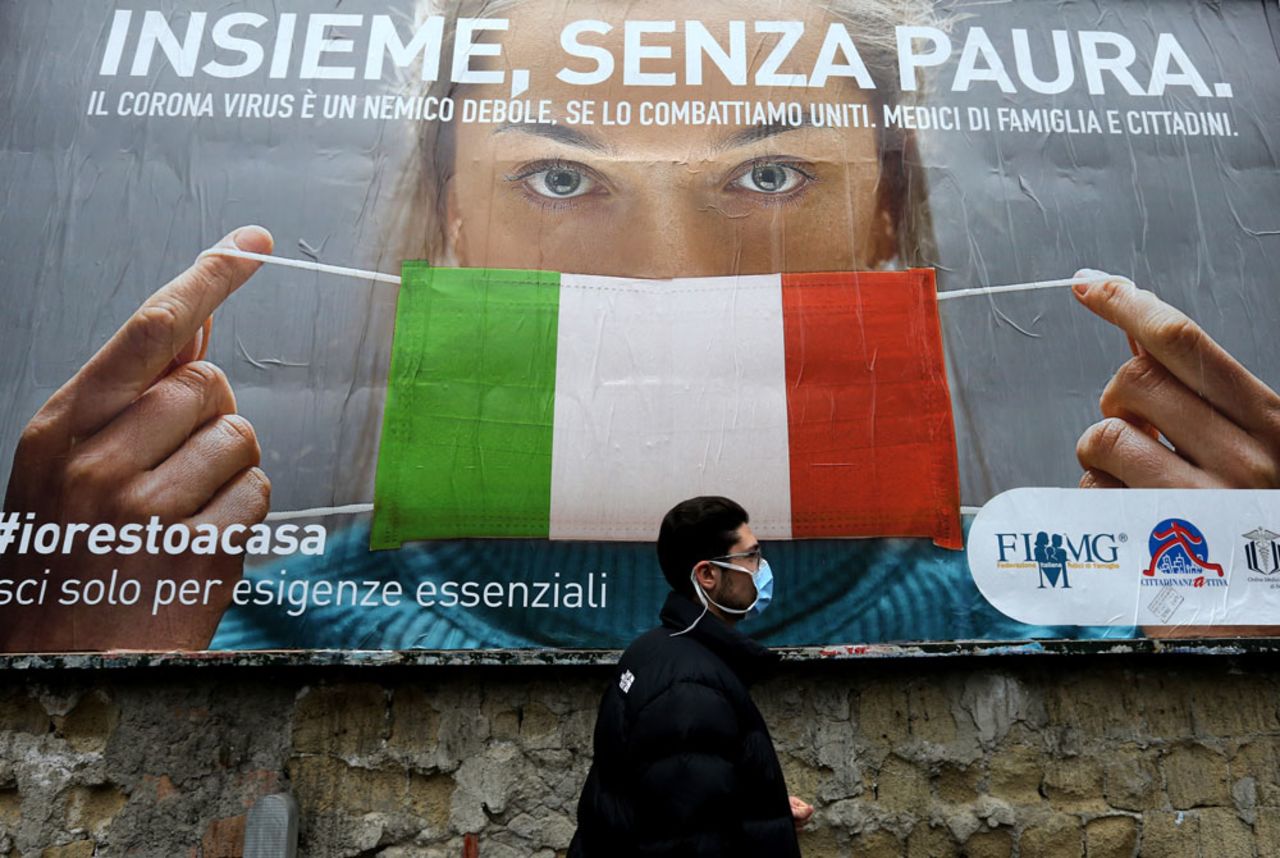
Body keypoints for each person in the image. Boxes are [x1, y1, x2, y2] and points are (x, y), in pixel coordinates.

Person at [3, 0, 1279, 651]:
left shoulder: (1107, 634)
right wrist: (69, 675)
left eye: (768, 177)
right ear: (451, 220)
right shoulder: (216, 631)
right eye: (561, 179)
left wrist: (1242, 672)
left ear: (887, 218)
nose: (668, 278)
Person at [568, 496, 812, 857]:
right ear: (708, 575)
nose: (762, 569)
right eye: (751, 556)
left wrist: (764, 809)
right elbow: (687, 842)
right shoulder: (689, 689)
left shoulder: (658, 650)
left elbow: (681, 802)